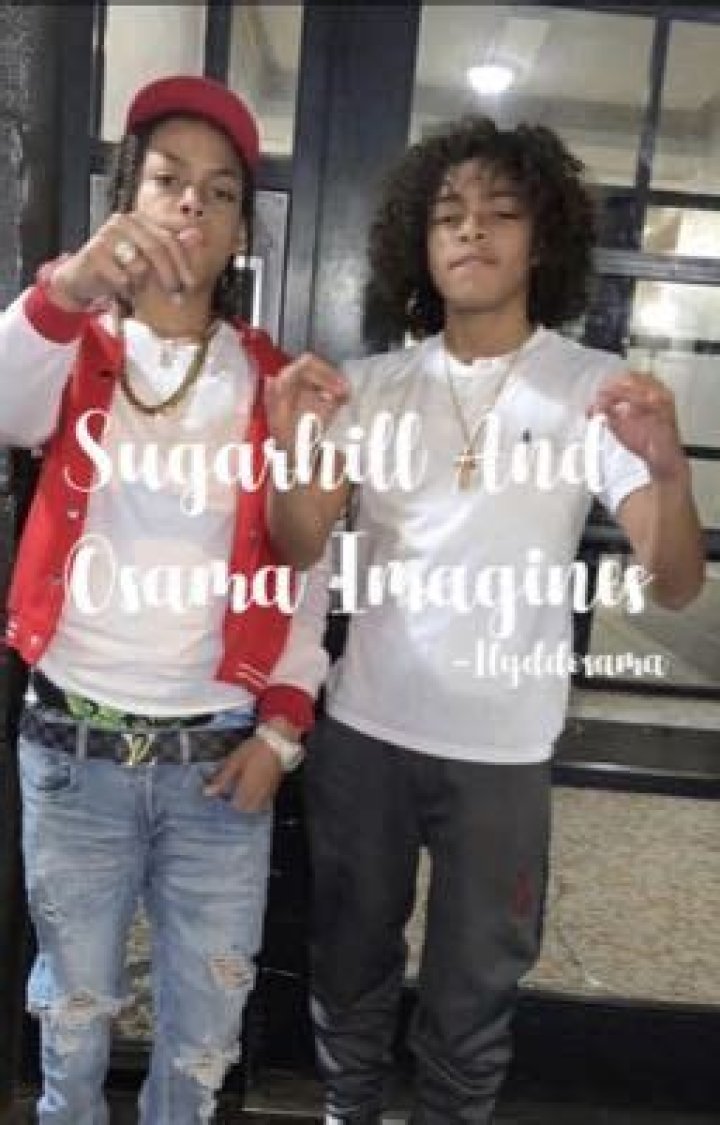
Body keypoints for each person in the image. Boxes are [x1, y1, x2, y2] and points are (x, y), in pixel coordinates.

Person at [265, 116, 705, 1123]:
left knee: (473, 996)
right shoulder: (371, 387)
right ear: (419, 245)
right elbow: (297, 544)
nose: (472, 231)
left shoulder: (593, 389)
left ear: (541, 239)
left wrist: (671, 473)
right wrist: (295, 448)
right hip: (368, 733)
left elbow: (675, 581)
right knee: (348, 965)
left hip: (501, 754)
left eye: (501, 212)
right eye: (449, 215)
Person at [0, 75, 329, 1125]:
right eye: (167, 180)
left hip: (217, 767)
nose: (192, 202)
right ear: (127, 201)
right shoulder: (75, 348)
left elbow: (304, 568)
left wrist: (283, 728)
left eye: (220, 191)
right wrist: (66, 287)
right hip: (74, 755)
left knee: (202, 1042)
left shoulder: (271, 379)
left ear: (239, 231)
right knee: (73, 1024)